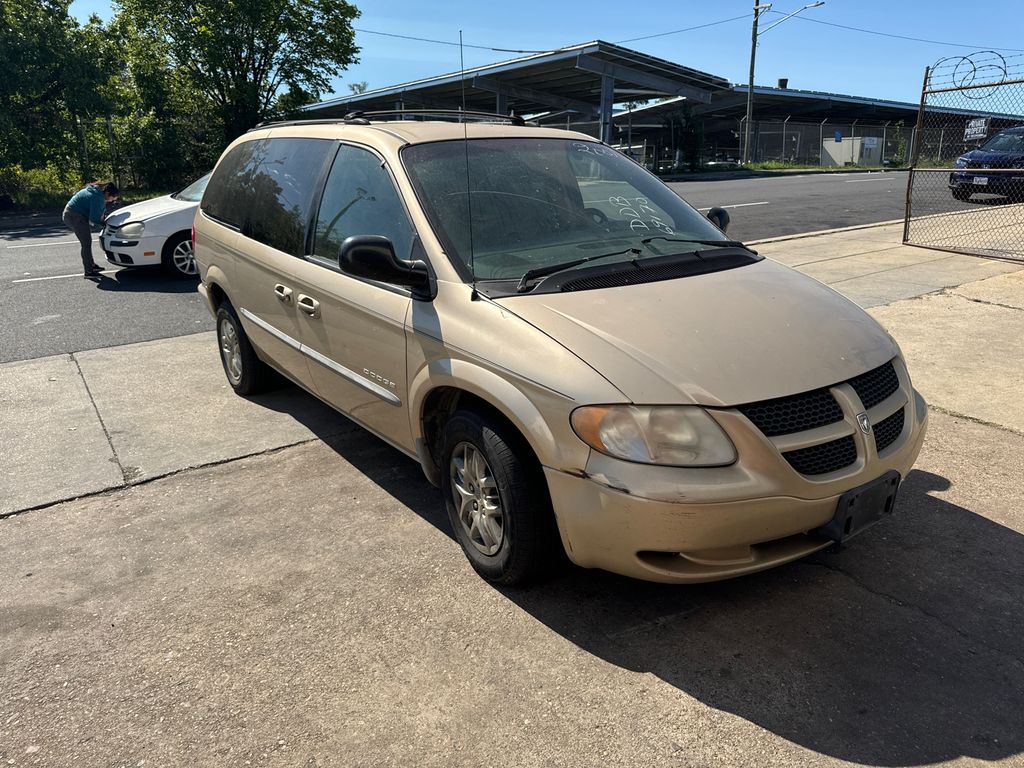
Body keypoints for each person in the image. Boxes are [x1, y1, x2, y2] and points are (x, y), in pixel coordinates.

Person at [62, 181, 119, 277]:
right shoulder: (97, 197)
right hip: (74, 216)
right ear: (107, 193)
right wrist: (105, 224)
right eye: (112, 198)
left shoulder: (96, 191)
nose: (112, 200)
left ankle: (92, 265)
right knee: (86, 243)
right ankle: (88, 271)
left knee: (87, 241)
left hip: (73, 214)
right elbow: (94, 218)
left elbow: (98, 211)